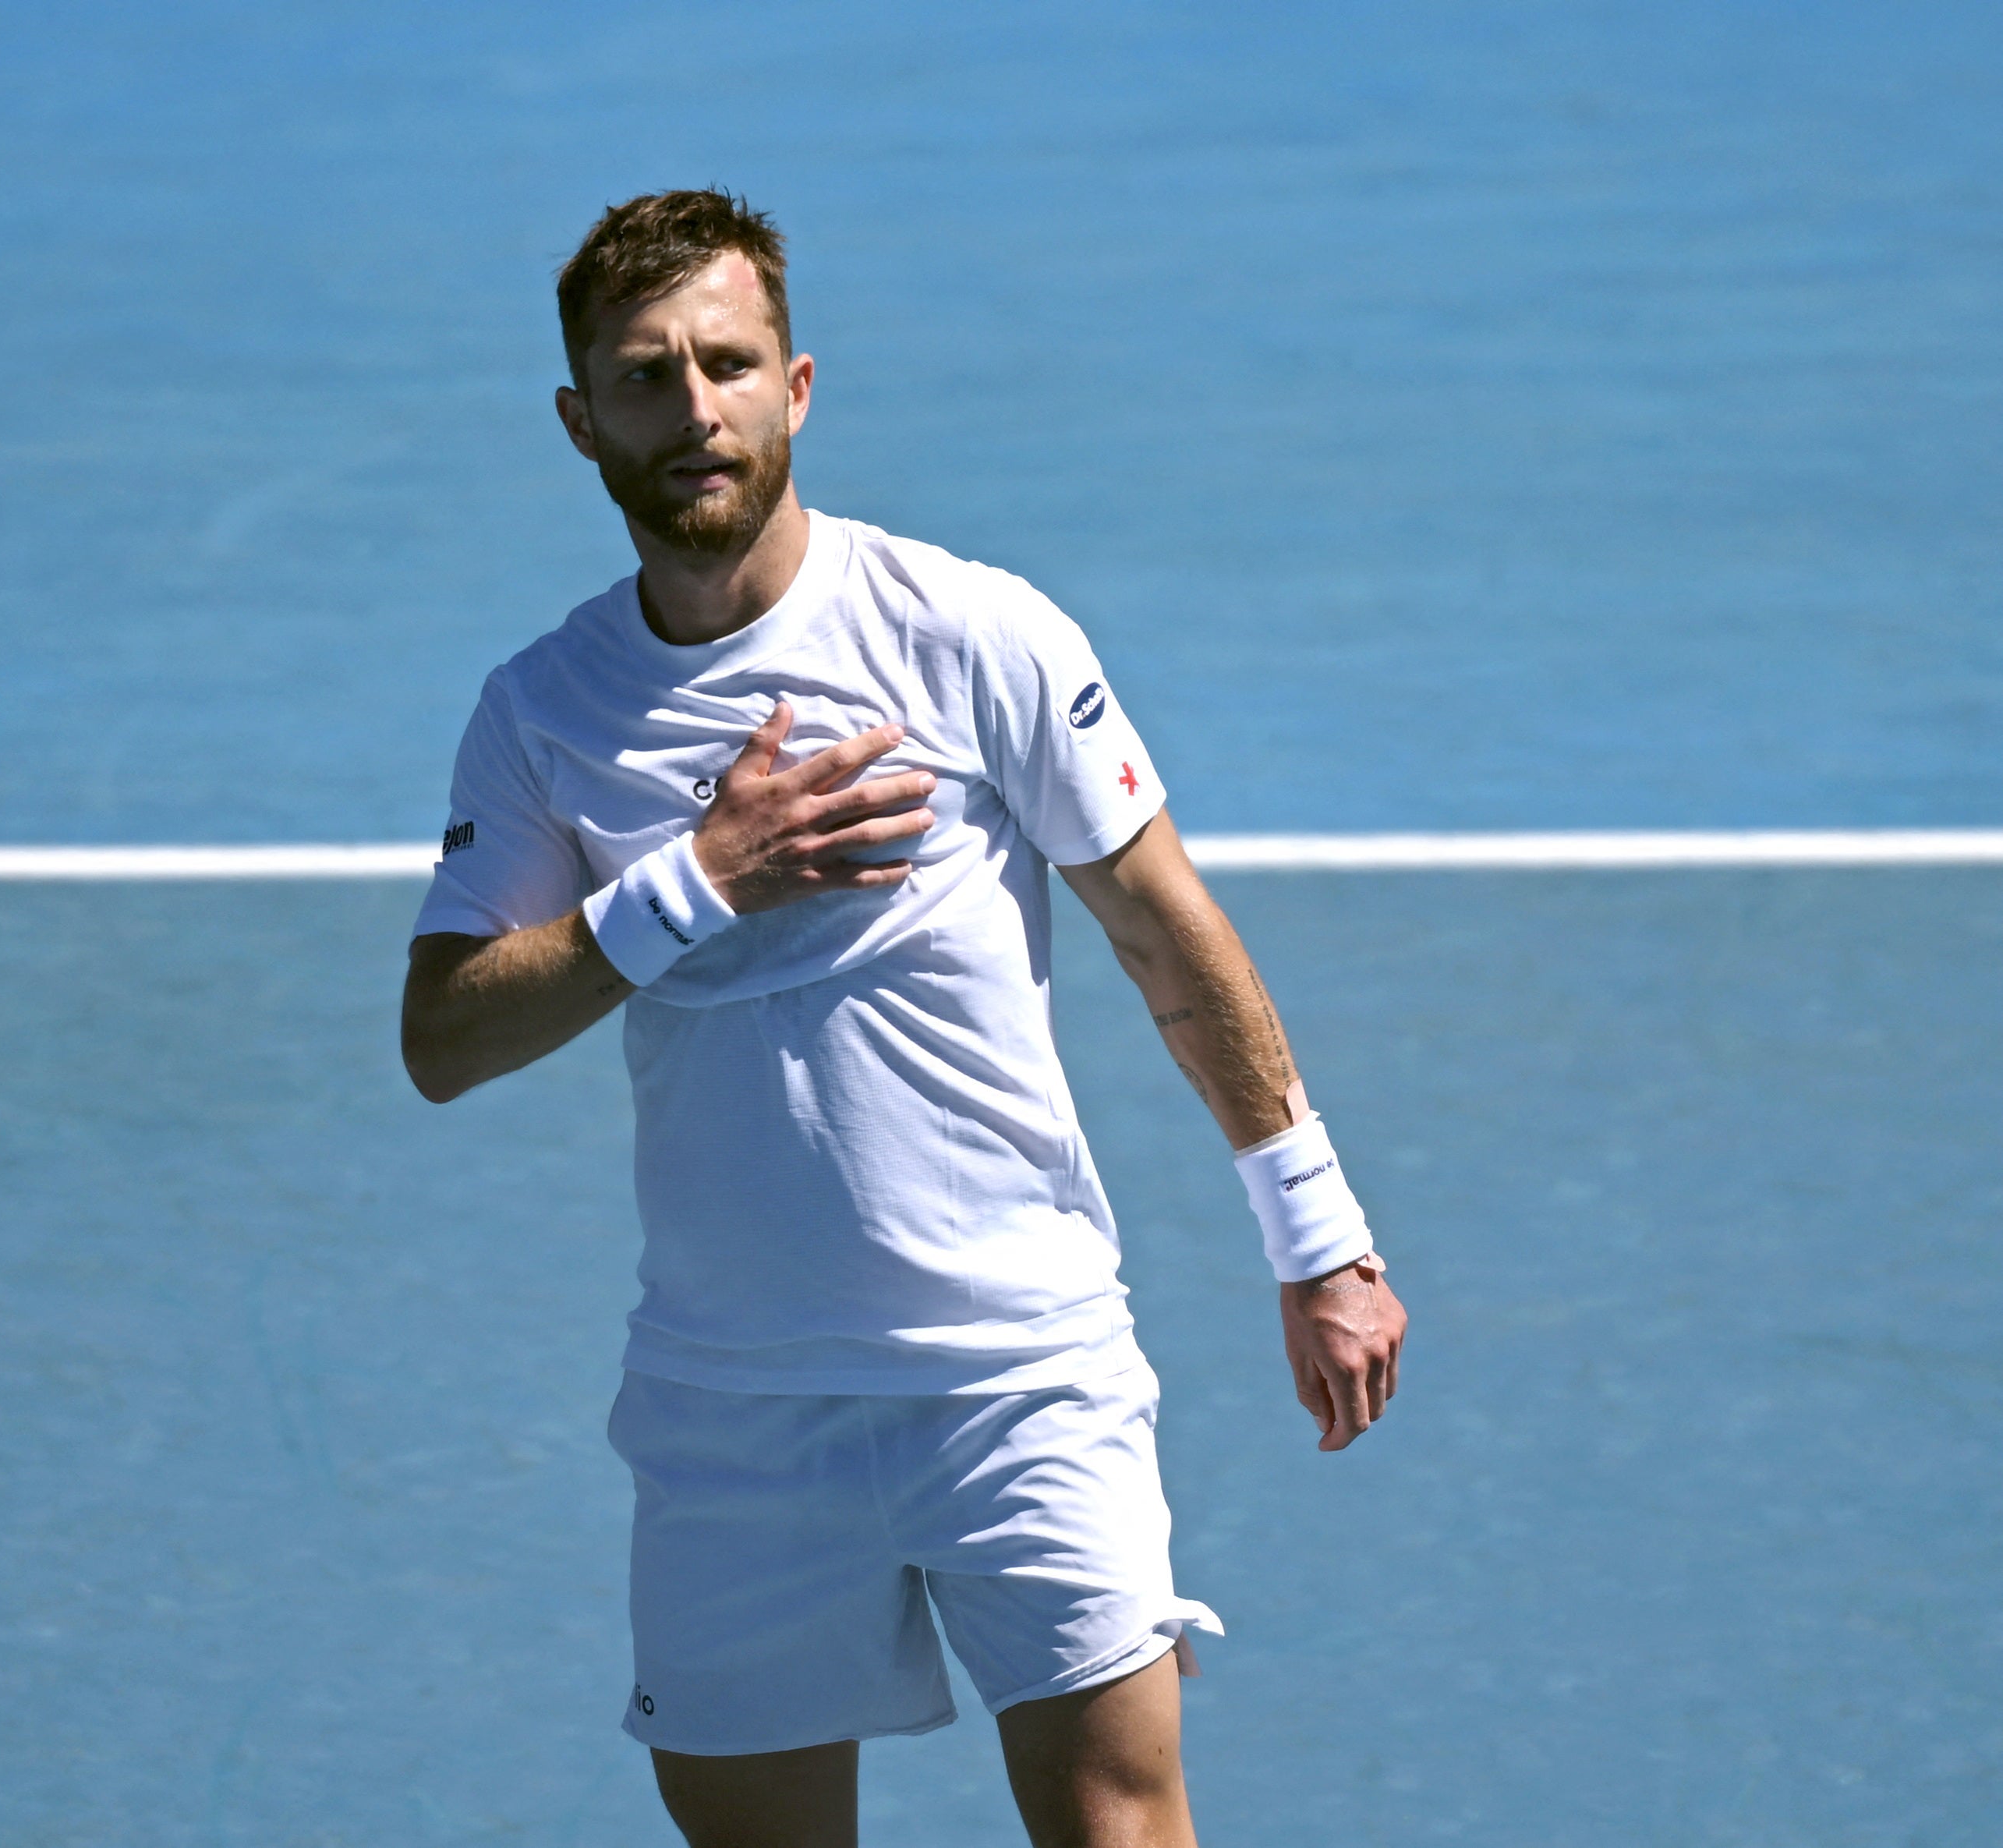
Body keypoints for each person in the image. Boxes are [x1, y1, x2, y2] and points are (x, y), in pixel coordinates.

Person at [399, 189, 1407, 1848]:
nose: (696, 407)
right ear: (582, 419)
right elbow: (446, 1038)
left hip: (1021, 1372)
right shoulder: (539, 716)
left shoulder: (971, 629)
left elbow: (1166, 931)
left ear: (798, 389)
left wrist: (1322, 1239)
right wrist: (695, 880)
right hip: (732, 1413)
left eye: (729, 364)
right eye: (647, 376)